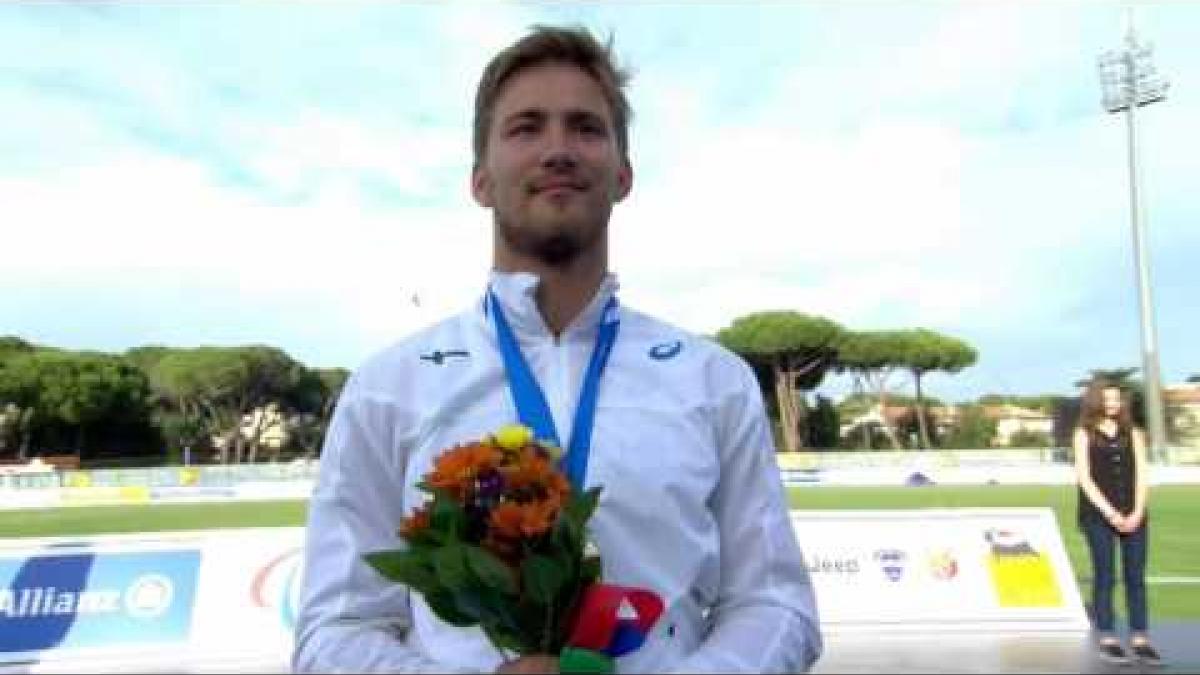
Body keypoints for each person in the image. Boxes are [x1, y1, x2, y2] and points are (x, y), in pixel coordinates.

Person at [291, 25, 822, 674]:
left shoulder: (715, 381)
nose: (558, 149)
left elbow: (776, 606)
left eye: (586, 128)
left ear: (623, 174)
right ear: (480, 179)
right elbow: (336, 631)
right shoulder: (387, 386)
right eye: (526, 128)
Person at [1073, 379, 1161, 665]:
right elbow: (1084, 478)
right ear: (1095, 401)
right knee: (1105, 576)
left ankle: (1140, 637)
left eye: (1117, 399)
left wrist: (1136, 511)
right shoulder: (1083, 433)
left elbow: (1143, 475)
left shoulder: (1133, 433)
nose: (1113, 404)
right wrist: (1111, 513)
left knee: (1136, 578)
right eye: (1107, 399)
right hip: (1098, 515)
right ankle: (1108, 636)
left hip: (1134, 514)